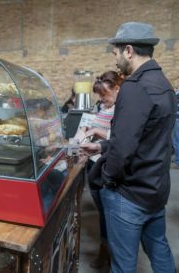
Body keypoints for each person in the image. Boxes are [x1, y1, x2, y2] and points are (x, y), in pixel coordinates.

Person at [81, 22, 176, 272]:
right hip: (156, 187)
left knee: (123, 264)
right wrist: (102, 147)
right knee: (159, 249)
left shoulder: (135, 88)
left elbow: (124, 147)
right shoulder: (164, 85)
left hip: (130, 193)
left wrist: (108, 180)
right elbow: (146, 137)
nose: (116, 59)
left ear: (129, 51)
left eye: (116, 53)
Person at [80, 71, 123, 268]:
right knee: (102, 211)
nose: (102, 98)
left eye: (105, 94)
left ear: (117, 88)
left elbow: (118, 140)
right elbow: (90, 125)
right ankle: (104, 250)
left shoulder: (121, 108)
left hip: (106, 163)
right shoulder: (104, 106)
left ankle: (106, 252)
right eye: (100, 95)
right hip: (94, 161)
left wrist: (96, 131)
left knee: (108, 213)